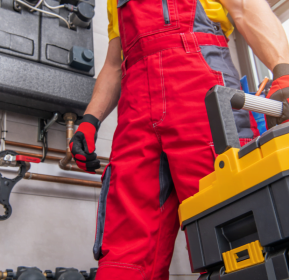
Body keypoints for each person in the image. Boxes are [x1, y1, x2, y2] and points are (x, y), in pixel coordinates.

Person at [69, 0, 289, 279]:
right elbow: (114, 64)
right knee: (124, 250)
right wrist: (89, 120)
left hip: (201, 88)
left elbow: (245, 8)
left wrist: (283, 72)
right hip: (135, 106)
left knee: (234, 228)